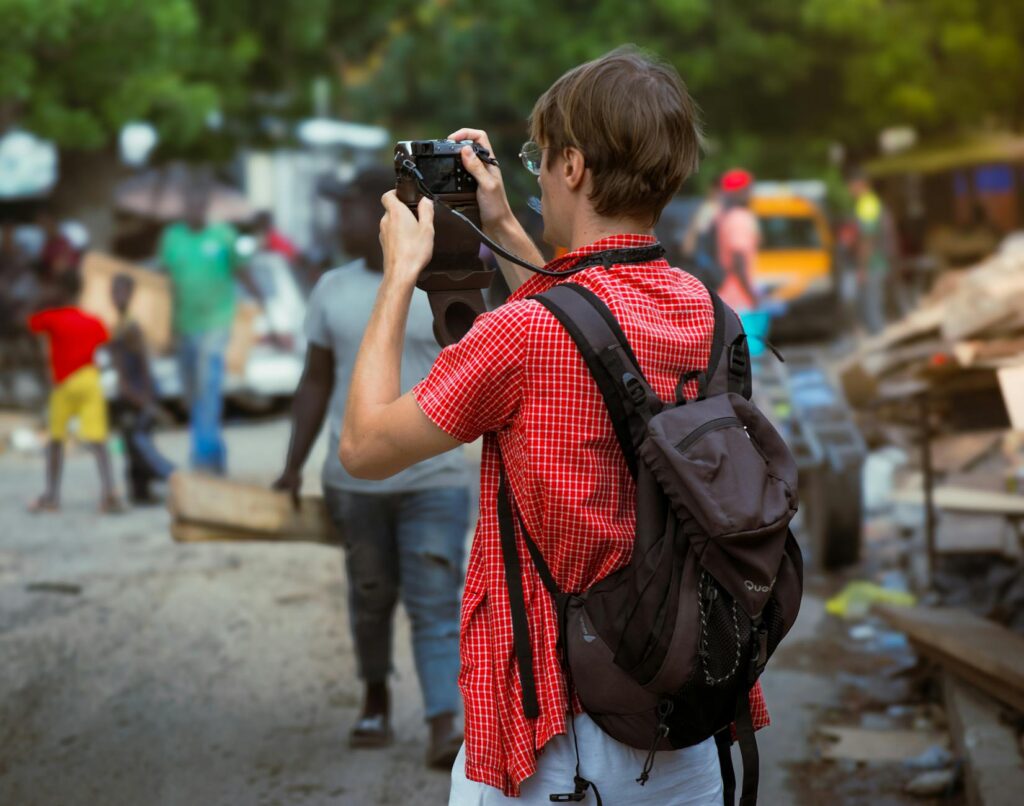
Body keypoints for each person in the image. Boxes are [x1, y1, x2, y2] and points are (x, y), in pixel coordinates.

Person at [339, 47, 769, 803]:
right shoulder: (709, 314)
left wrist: (399, 272)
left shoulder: (523, 337)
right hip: (690, 718)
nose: (535, 173)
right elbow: (588, 328)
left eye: (541, 158)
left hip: (558, 742)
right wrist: (500, 216)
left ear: (572, 167)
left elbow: (365, 448)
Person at [272, 166, 471, 769]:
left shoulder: (444, 286)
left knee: (435, 597)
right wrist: (292, 467)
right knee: (370, 593)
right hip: (353, 480)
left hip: (434, 478)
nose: (341, 221)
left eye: (352, 208)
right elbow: (315, 382)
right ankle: (376, 701)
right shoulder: (331, 287)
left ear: (390, 212)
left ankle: (443, 721)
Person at [159, 174, 262, 474]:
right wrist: (163, 328)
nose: (194, 208)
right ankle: (214, 455)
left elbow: (242, 271)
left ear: (206, 205)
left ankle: (202, 461)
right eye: (189, 203)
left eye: (199, 203)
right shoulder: (171, 238)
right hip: (183, 327)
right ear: (183, 207)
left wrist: (262, 304)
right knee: (193, 396)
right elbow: (163, 284)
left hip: (217, 323)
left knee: (208, 389)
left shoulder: (223, 236)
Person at [27, 272, 122, 513]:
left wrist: (42, 299)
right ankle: (109, 491)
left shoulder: (52, 318)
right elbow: (106, 346)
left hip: (64, 383)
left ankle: (52, 496)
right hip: (90, 380)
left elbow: (29, 323)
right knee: (98, 440)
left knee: (57, 440)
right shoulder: (93, 321)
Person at [109, 273, 175, 504]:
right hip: (133, 395)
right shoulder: (120, 325)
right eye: (114, 291)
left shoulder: (129, 327)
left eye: (122, 292)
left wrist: (145, 399)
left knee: (140, 444)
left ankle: (152, 486)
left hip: (137, 394)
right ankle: (140, 492)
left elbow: (142, 367)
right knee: (133, 446)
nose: (117, 297)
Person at [847, 169, 892, 335]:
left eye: (851, 185)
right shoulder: (868, 203)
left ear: (860, 184)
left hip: (873, 264)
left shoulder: (867, 204)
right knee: (871, 309)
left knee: (872, 312)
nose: (849, 190)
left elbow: (868, 238)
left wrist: (863, 268)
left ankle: (881, 352)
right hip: (875, 263)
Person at [715, 168, 761, 313]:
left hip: (729, 297)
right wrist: (753, 296)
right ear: (739, 192)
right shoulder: (739, 218)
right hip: (739, 300)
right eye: (748, 189)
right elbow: (739, 260)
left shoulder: (724, 216)